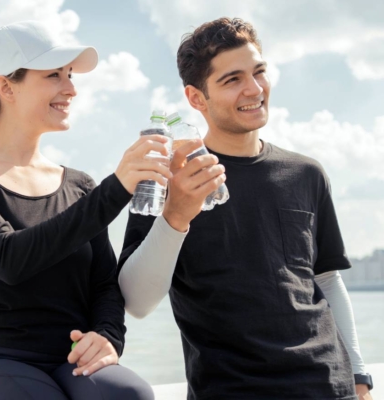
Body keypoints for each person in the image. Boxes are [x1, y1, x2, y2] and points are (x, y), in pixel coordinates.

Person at [118, 17, 374, 400]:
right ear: (195, 98)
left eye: (259, 72)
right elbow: (136, 303)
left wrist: (358, 376)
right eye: (232, 79)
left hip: (328, 386)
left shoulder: (307, 173)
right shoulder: (164, 179)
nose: (254, 89)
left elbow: (326, 280)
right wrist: (176, 216)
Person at [0, 20, 170, 400]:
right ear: (6, 86)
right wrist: (116, 189)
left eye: (70, 75)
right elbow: (8, 259)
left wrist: (107, 337)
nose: (71, 88)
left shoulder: (79, 185)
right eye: (54, 75)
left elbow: (104, 284)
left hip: (69, 359)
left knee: (130, 394)